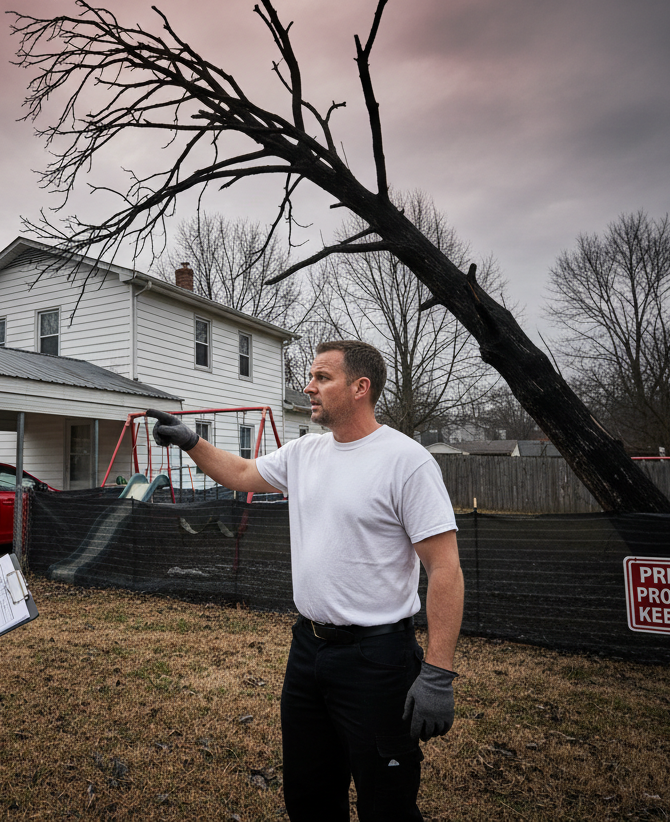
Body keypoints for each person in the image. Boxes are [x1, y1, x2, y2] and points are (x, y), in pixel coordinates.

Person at [148, 339, 464, 821]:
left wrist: (438, 674)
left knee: (387, 804)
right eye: (310, 377)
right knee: (310, 796)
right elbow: (241, 471)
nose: (308, 387)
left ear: (361, 388)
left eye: (322, 378)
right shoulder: (305, 454)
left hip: (377, 659)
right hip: (308, 650)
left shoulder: (407, 461)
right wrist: (193, 442)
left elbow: (445, 568)